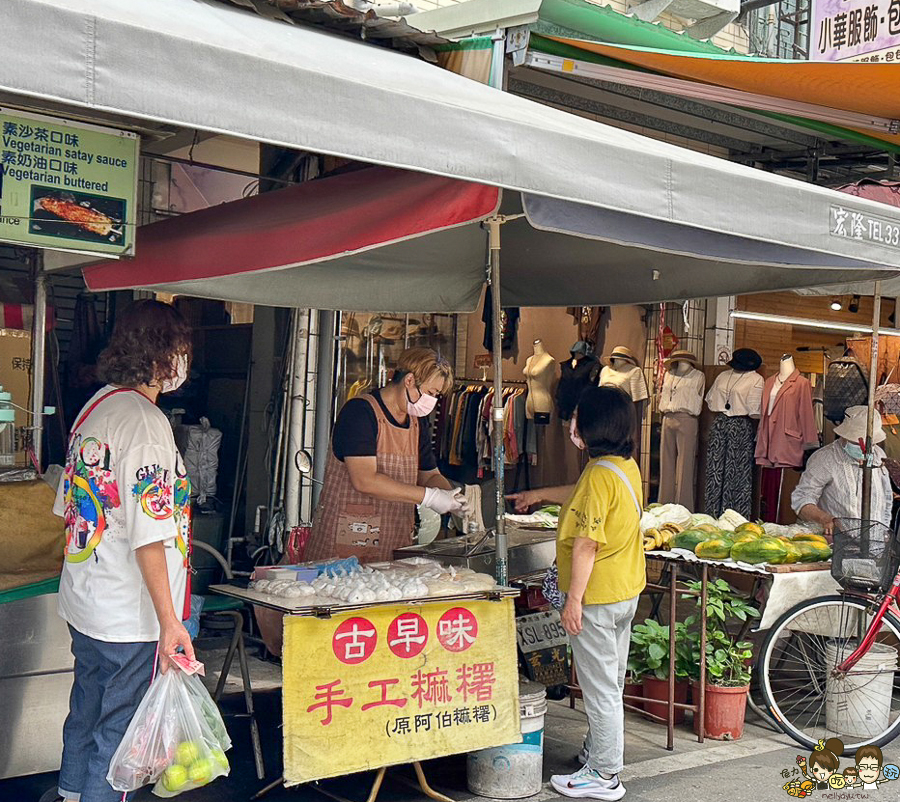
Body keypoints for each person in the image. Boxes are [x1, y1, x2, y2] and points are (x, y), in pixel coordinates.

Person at [53, 300, 195, 802]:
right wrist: (170, 623)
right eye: (181, 349)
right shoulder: (145, 424)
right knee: (121, 737)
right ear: (163, 356)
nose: (185, 361)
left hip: (86, 601)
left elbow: (69, 508)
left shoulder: (98, 405)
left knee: (87, 709)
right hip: (127, 617)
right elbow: (149, 534)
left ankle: (70, 794)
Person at [542, 386, 645, 802]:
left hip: (597, 598)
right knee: (610, 680)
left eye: (577, 417)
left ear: (592, 425)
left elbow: (587, 543)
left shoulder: (599, 474)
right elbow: (586, 498)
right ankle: (597, 750)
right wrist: (539, 495)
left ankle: (604, 774)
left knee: (600, 686)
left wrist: (573, 600)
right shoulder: (621, 465)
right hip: (624, 591)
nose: (571, 424)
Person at [305, 347, 468, 563]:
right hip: (345, 544)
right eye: (431, 393)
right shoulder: (360, 413)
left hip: (395, 539)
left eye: (436, 395)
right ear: (409, 380)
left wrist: (452, 497)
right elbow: (365, 480)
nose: (433, 401)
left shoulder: (417, 422)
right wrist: (430, 497)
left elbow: (428, 475)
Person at [791, 406, 892, 535]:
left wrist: (884, 531)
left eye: (870, 444)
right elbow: (802, 499)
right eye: (857, 443)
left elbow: (886, 497)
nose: (864, 449)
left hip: (874, 542)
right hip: (837, 542)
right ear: (845, 436)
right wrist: (824, 518)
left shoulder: (878, 454)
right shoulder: (825, 458)